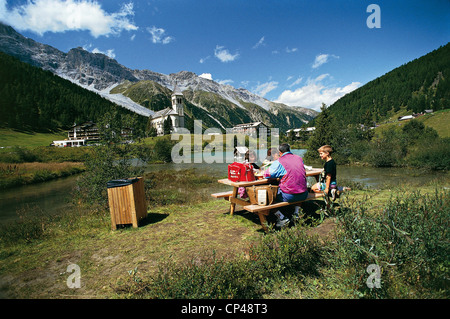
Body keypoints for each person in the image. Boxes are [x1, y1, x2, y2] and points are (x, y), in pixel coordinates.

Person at [265, 143, 308, 227]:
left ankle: (282, 218)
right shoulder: (299, 158)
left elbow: (267, 174)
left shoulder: (279, 161)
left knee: (269, 197)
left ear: (280, 152)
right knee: (298, 186)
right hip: (304, 194)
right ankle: (296, 214)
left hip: (289, 196)